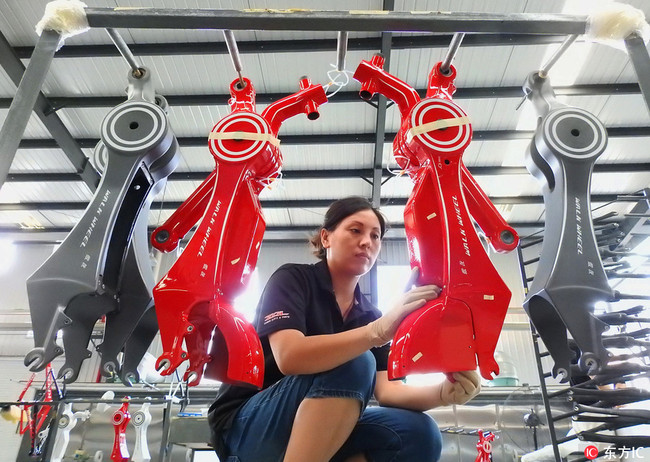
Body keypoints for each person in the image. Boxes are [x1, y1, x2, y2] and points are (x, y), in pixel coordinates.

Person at [208, 196, 481, 462]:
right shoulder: (293, 279)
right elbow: (289, 356)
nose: (367, 242)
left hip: (311, 437)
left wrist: (443, 393)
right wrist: (376, 332)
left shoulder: (369, 316)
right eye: (355, 230)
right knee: (355, 362)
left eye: (375, 236)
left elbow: (387, 392)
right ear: (326, 238)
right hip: (247, 427)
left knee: (419, 433)